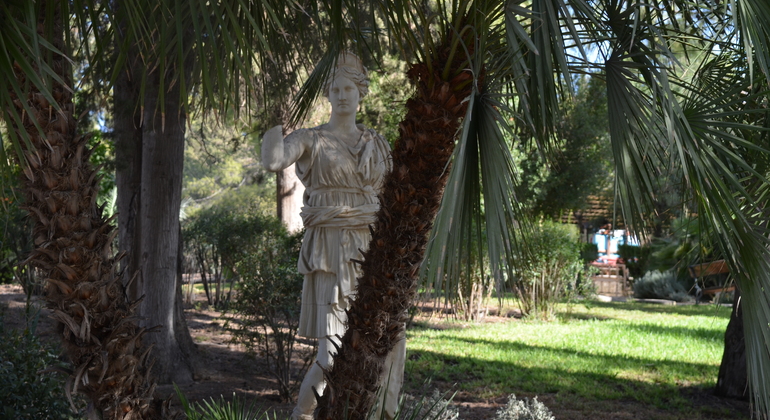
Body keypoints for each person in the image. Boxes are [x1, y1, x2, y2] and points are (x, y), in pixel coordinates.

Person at [261, 52, 405, 420]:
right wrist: (272, 124)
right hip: (327, 252)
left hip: (370, 247)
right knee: (329, 355)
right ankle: (302, 414)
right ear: (328, 94)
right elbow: (275, 160)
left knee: (388, 338)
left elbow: (394, 197)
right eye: (336, 89)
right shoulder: (312, 139)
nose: (342, 95)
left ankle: (383, 414)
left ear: (361, 94)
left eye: (349, 89)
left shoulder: (377, 145)